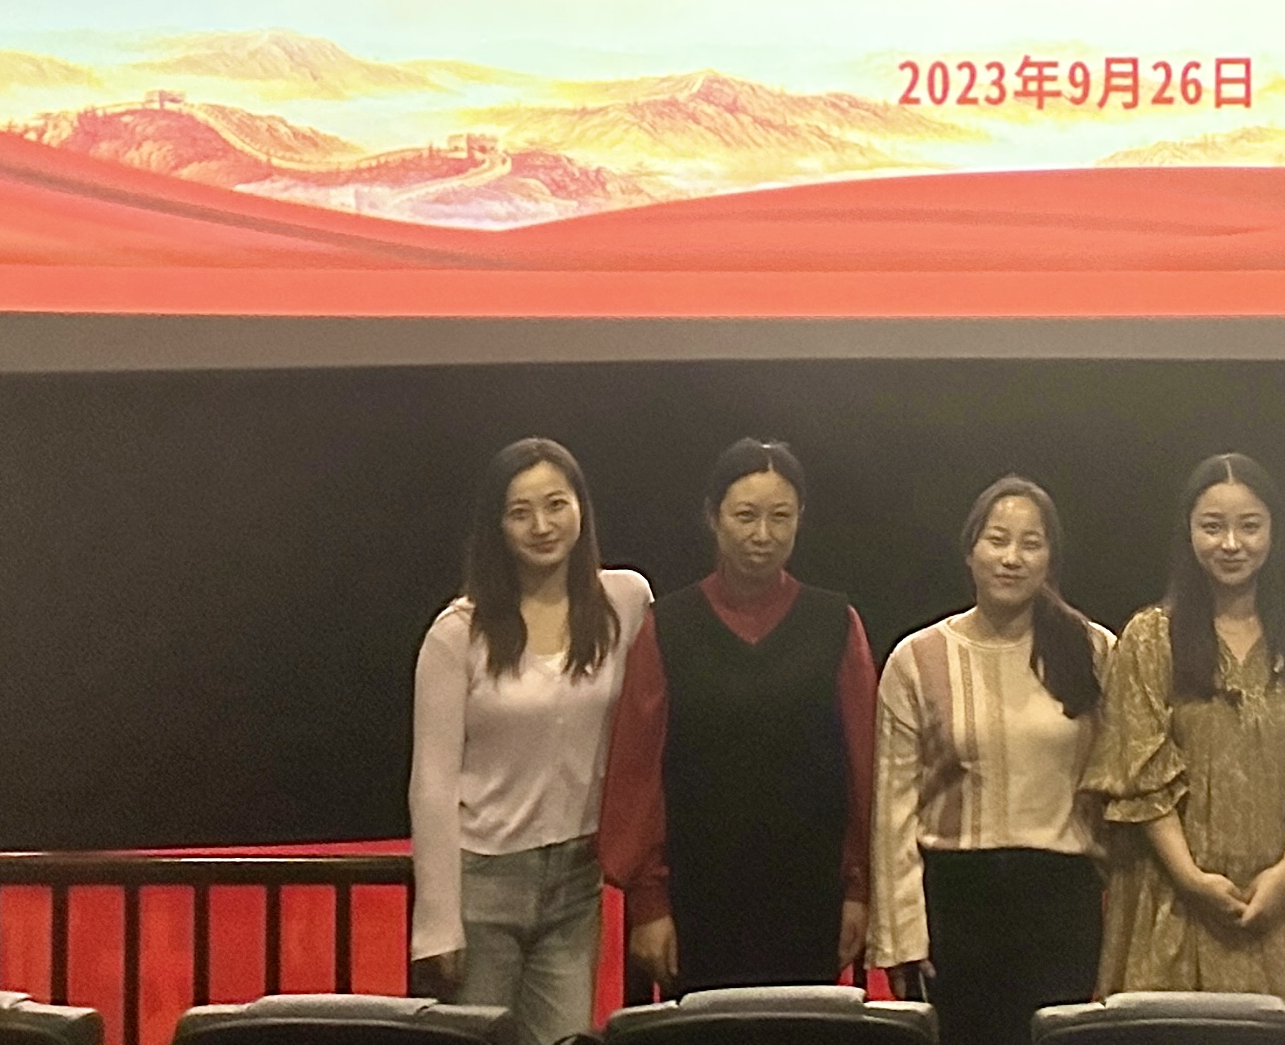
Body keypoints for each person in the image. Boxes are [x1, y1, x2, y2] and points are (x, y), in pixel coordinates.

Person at [597, 439, 876, 992]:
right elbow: (637, 771)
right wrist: (649, 903)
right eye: (745, 516)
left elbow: (864, 767)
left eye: (780, 517)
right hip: (696, 901)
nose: (762, 534)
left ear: (800, 520)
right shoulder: (667, 627)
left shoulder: (835, 624)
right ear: (713, 517)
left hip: (811, 899)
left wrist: (860, 889)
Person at [1085, 451, 1285, 1004]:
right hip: (1170, 899)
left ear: (1273, 532)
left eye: (1249, 526)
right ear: (1189, 533)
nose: (1231, 544)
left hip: (1283, 903)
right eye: (1213, 527)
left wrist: (1283, 876)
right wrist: (1191, 879)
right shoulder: (1150, 638)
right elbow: (1140, 772)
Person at [409, 438, 653, 1045]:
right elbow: (433, 781)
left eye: (555, 505)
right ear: (497, 525)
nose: (541, 526)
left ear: (581, 508)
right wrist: (437, 923)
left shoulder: (625, 601)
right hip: (482, 881)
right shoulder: (458, 633)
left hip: (576, 880)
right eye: (520, 512)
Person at [870, 477, 1116, 1045]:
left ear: (1050, 558)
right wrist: (902, 935)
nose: (1012, 558)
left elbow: (1117, 786)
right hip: (958, 902)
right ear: (970, 550)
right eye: (998, 539)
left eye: (1031, 543)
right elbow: (893, 808)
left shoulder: (1094, 651)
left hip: (1062, 901)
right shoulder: (917, 658)